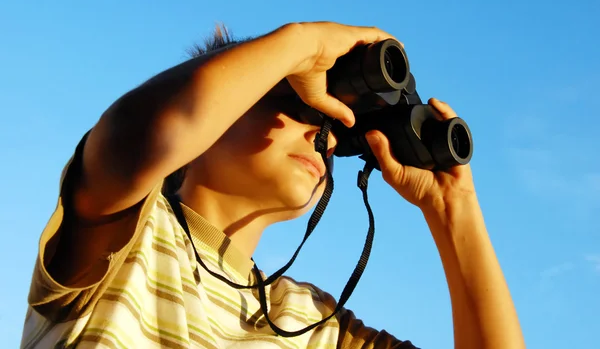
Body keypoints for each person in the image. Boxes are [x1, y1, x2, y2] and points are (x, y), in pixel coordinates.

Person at [20, 22, 525, 349]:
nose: (321, 135)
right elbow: (140, 134)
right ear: (215, 124)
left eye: (330, 127)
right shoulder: (127, 237)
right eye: (296, 107)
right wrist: (300, 46)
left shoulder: (314, 325)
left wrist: (454, 210)